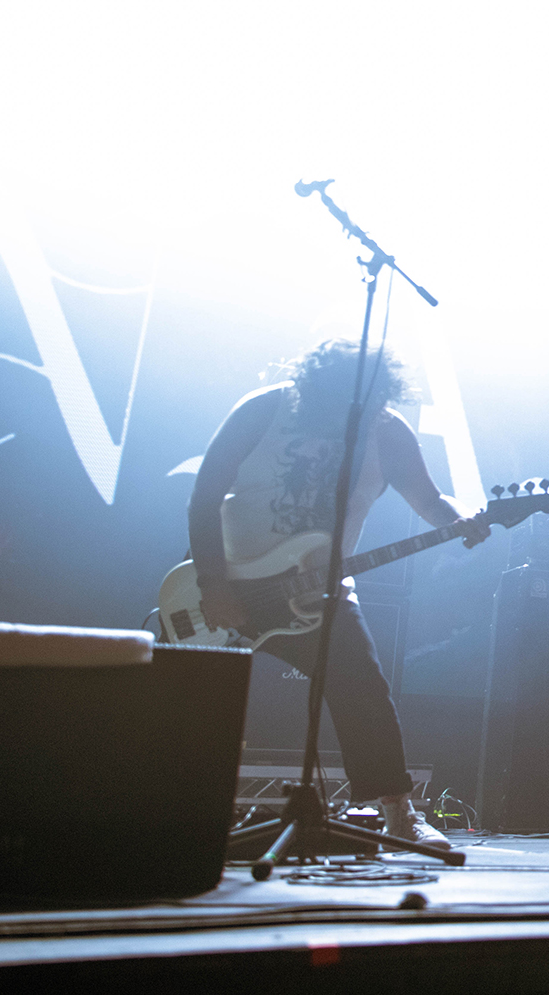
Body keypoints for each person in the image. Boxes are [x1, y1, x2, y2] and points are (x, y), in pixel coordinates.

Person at [187, 339, 488, 850]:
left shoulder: (387, 431)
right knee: (197, 699)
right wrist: (212, 584)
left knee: (363, 690)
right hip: (231, 584)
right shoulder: (262, 409)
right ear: (314, 388)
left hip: (318, 591)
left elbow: (430, 499)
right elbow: (204, 497)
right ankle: (178, 806)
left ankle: (398, 815)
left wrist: (459, 521)